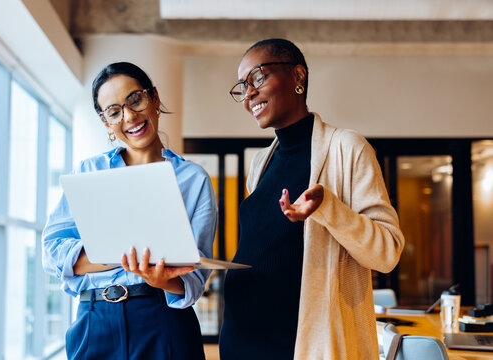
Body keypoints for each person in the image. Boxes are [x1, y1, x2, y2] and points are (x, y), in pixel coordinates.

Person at [219, 38, 405, 360]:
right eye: (242, 87)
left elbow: (386, 252)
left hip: (298, 346)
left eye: (258, 78)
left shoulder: (347, 148)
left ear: (298, 77)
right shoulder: (260, 163)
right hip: (241, 338)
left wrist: (328, 208)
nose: (248, 95)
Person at [42, 62, 217, 360]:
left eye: (136, 99)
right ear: (106, 122)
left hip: (162, 318)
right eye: (114, 111)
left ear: (155, 98)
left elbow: (194, 279)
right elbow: (52, 252)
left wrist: (157, 278)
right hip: (94, 319)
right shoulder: (88, 172)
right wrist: (121, 255)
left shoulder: (193, 179)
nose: (130, 116)